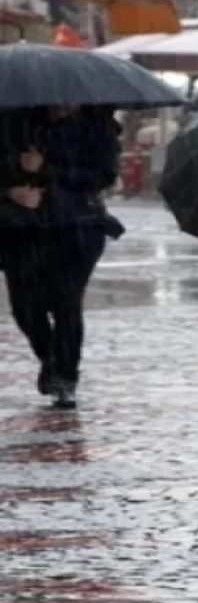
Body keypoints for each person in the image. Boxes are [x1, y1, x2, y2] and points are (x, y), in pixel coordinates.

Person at [0, 106, 123, 410]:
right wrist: (10, 191)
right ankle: (51, 359)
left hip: (78, 224)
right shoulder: (11, 121)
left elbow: (102, 176)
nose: (65, 104)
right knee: (26, 307)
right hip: (22, 227)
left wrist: (45, 168)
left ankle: (66, 378)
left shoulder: (98, 126)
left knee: (65, 301)